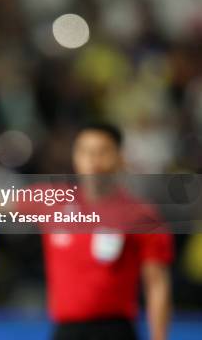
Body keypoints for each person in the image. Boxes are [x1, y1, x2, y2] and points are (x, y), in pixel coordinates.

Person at [45, 123, 173, 340]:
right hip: (64, 331)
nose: (93, 160)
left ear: (120, 157)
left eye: (102, 151)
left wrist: (159, 336)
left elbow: (157, 284)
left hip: (115, 330)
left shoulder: (140, 215)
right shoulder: (52, 202)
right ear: (75, 156)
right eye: (85, 151)